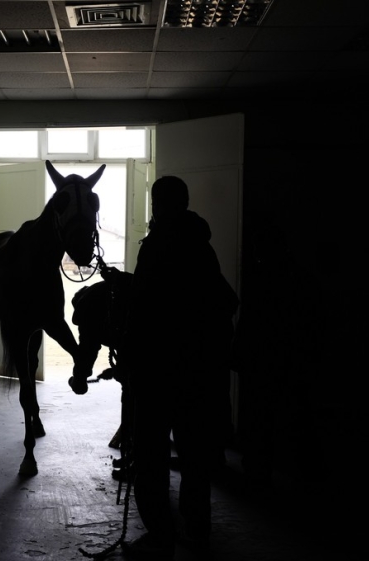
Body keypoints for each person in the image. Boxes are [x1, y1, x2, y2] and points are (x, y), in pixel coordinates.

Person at [120, 176, 239, 559]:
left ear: (157, 204)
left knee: (151, 457)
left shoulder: (157, 247)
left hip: (158, 375)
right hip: (197, 375)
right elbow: (226, 302)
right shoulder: (201, 246)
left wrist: (132, 362)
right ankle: (198, 528)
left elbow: (141, 310)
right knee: (195, 458)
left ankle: (159, 533)